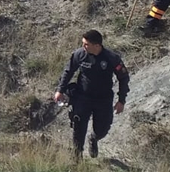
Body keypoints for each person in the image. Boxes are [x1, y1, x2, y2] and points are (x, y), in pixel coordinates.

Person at [54, 30, 129, 159]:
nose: (83, 46)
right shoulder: (80, 55)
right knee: (78, 126)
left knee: (102, 129)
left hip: (103, 99)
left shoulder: (111, 58)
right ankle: (77, 156)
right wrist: (60, 90)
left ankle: (94, 138)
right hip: (83, 97)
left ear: (97, 45)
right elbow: (68, 71)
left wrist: (121, 100)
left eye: (86, 44)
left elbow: (123, 78)